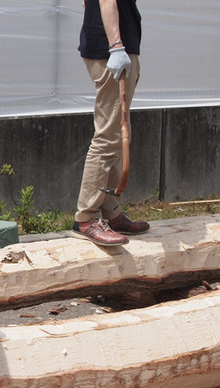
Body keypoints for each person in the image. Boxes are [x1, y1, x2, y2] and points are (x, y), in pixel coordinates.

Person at [73, 0, 149, 246]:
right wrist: (116, 46)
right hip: (112, 50)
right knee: (108, 137)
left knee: (117, 135)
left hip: (114, 47)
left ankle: (110, 212)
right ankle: (87, 217)